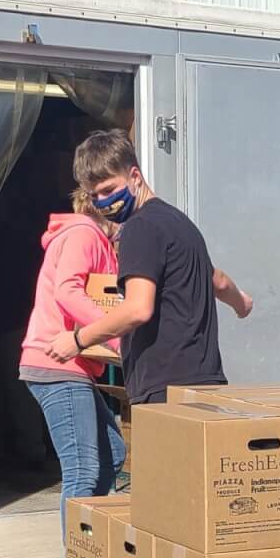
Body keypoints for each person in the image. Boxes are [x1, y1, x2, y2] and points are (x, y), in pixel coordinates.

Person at [45, 129, 253, 405]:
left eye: (108, 189)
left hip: (164, 389)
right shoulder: (182, 224)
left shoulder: (139, 228)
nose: (102, 202)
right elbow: (218, 280)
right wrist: (241, 303)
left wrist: (78, 339)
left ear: (134, 176)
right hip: (207, 381)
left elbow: (137, 309)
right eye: (94, 196)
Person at [20, 190, 127, 558]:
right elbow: (68, 290)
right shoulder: (83, 235)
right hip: (57, 364)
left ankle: (88, 541)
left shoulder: (91, 238)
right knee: (83, 466)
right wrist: (116, 337)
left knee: (112, 453)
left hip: (73, 367)